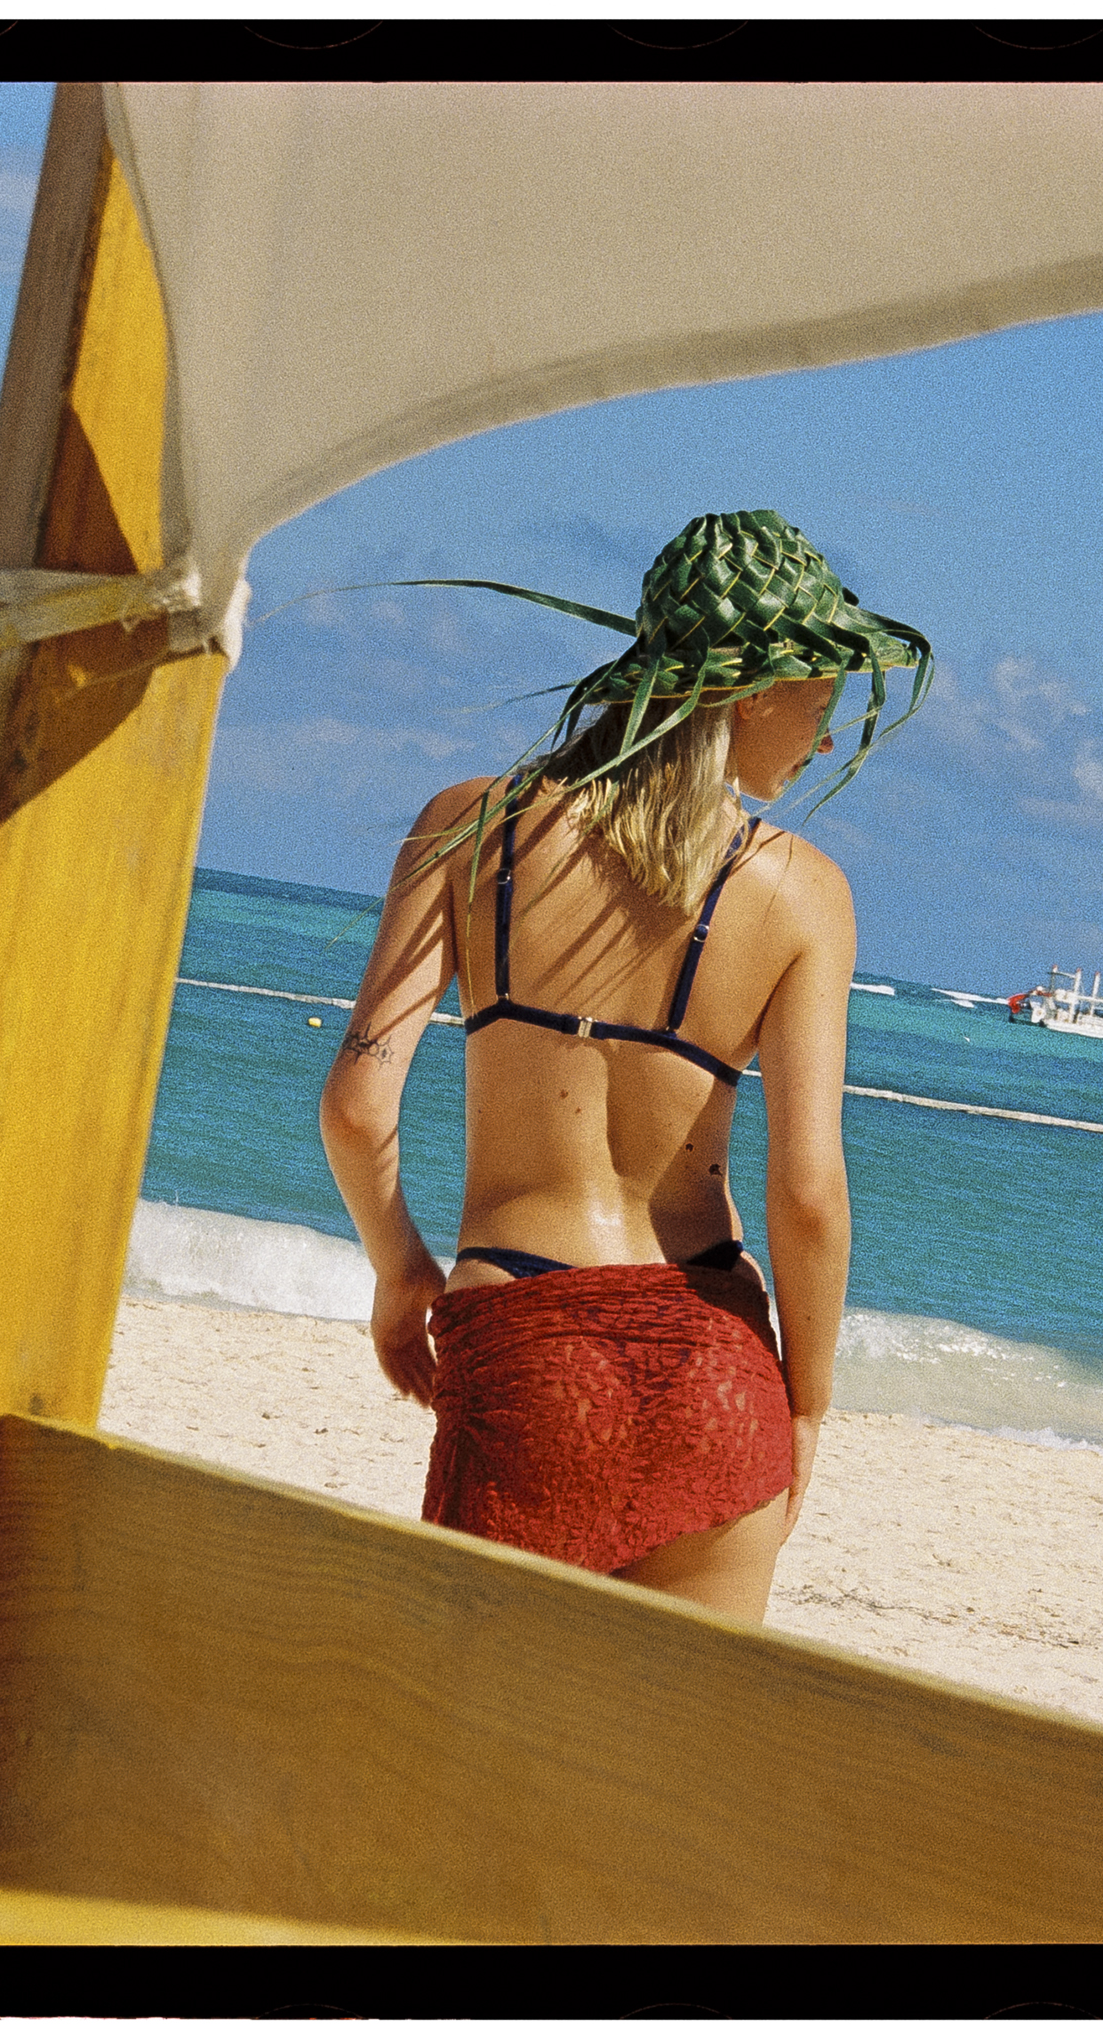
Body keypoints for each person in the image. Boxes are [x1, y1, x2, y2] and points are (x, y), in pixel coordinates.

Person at [318, 509, 930, 1621]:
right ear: (752, 689)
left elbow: (359, 1109)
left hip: (525, 1353)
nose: (826, 738)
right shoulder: (803, 893)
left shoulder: (469, 828)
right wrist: (806, 1404)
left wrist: (401, 1272)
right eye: (822, 699)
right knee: (679, 1777)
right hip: (715, 1371)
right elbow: (808, 1196)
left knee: (482, 1763)